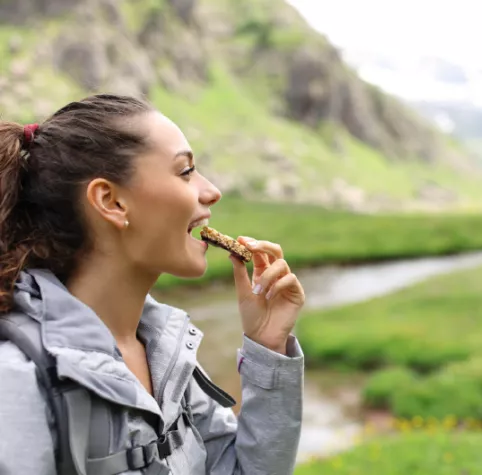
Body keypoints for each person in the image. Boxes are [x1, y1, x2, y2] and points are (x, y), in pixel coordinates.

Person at [0, 94, 306, 475]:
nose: (211, 191)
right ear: (111, 201)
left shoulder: (168, 355)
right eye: (185, 171)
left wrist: (268, 346)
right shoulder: (15, 382)